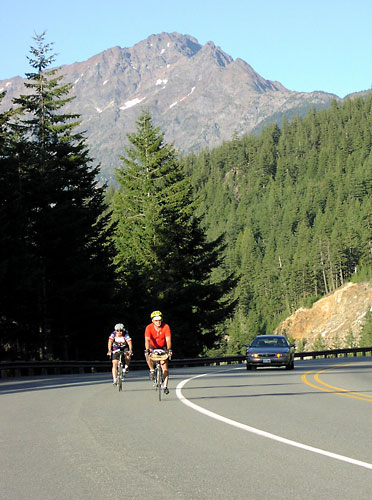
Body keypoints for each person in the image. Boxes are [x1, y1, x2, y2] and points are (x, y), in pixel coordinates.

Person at [144, 310, 172, 395]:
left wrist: (169, 349)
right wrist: (147, 349)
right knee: (147, 355)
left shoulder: (166, 327)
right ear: (152, 321)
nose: (158, 322)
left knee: (164, 366)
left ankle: (165, 386)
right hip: (152, 346)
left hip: (162, 346)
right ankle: (152, 370)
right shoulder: (149, 327)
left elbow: (168, 339)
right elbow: (147, 340)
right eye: (156, 320)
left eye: (159, 320)